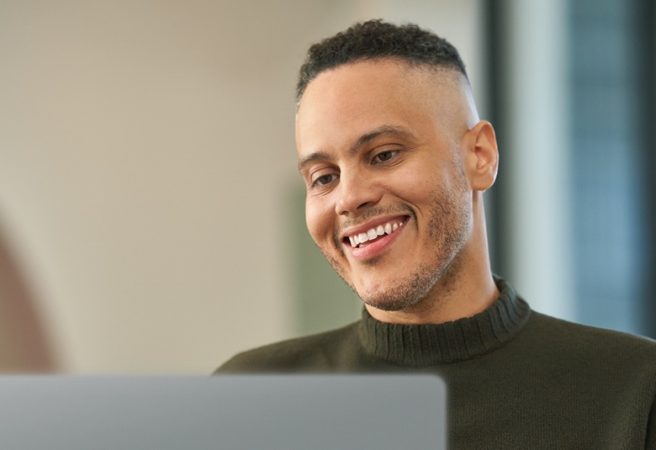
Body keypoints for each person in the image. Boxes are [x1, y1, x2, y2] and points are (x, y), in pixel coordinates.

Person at [216, 20, 656, 449]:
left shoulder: (635, 391)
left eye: (384, 154)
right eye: (323, 177)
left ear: (479, 156)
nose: (348, 199)